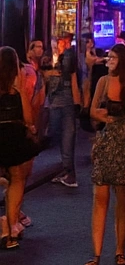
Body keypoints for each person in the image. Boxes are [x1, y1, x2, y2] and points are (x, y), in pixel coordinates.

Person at [82, 42, 125, 265]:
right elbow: (91, 110)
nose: (108, 60)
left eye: (112, 57)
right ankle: (96, 254)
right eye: (107, 57)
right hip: (106, 140)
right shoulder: (102, 81)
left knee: (123, 198)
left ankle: (120, 250)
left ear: (123, 60)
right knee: (100, 197)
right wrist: (105, 116)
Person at [0, 47, 41, 250]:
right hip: (14, 138)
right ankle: (10, 232)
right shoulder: (17, 90)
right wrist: (22, 91)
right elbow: (28, 118)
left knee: (9, 180)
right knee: (17, 180)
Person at [47, 33, 81, 188]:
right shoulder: (51, 57)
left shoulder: (67, 57)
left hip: (64, 98)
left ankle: (69, 171)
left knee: (66, 134)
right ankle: (66, 169)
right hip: (56, 99)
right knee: (60, 133)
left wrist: (77, 102)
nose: (61, 44)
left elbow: (73, 79)